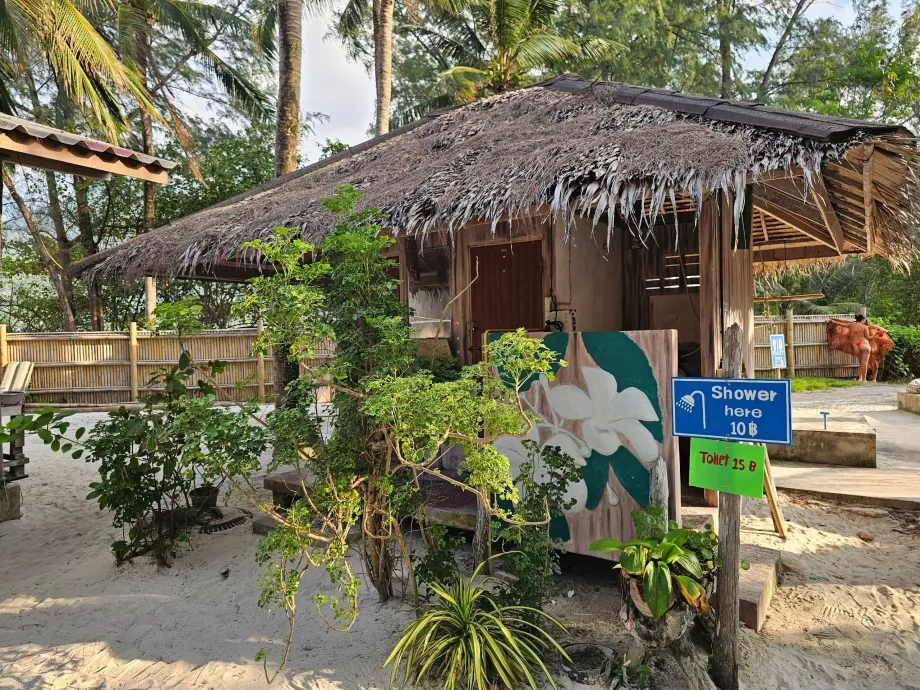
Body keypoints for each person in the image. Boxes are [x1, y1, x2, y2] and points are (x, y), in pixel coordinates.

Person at [828, 314, 886, 383]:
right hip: (863, 343)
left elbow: (840, 323)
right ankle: (864, 379)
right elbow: (868, 338)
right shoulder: (864, 327)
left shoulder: (851, 325)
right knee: (864, 362)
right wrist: (875, 334)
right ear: (862, 320)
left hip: (855, 344)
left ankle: (860, 379)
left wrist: (832, 321)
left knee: (861, 361)